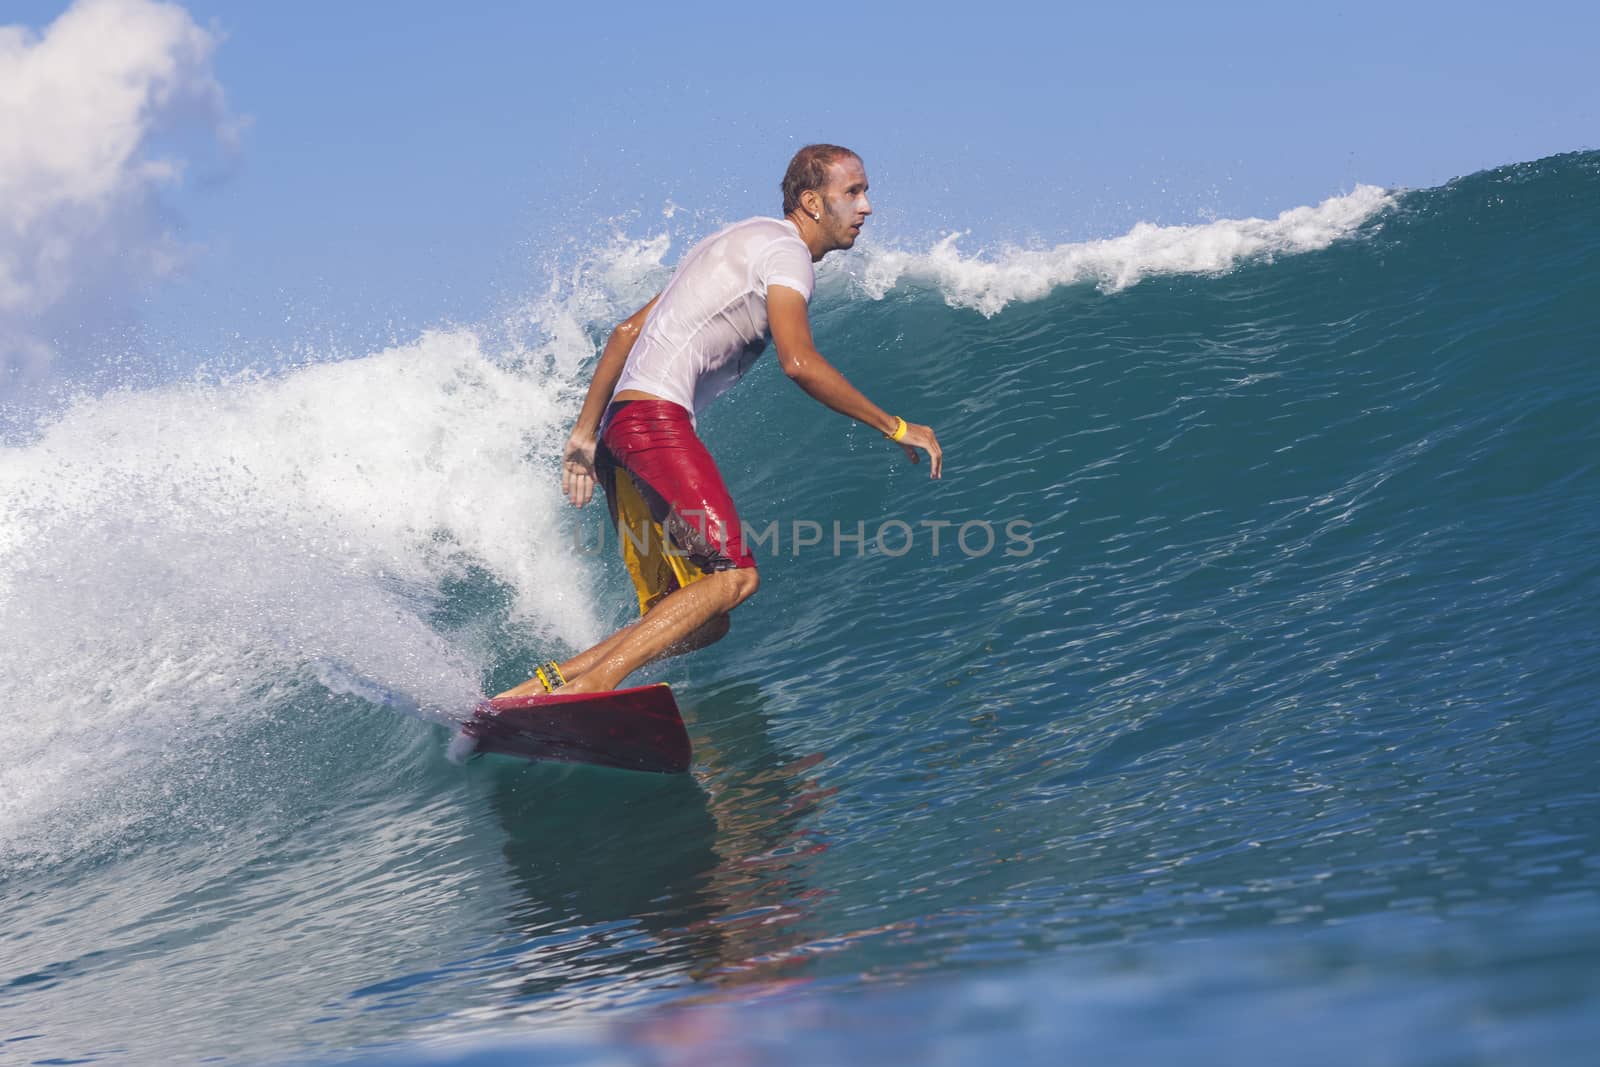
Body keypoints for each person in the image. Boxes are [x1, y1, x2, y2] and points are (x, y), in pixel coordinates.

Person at [497, 144, 942, 699]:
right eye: (852, 192)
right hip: (655, 421)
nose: (867, 207)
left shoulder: (735, 240)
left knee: (702, 617)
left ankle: (540, 688)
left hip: (620, 430)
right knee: (736, 575)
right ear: (810, 202)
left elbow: (625, 334)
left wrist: (585, 436)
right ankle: (594, 688)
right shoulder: (787, 256)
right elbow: (799, 363)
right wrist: (895, 426)